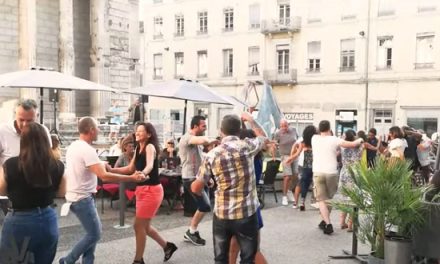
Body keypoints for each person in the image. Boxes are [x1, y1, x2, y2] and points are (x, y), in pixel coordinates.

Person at [59, 117, 145, 264]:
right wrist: (131, 178)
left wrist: (100, 162)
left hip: (76, 197)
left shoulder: (74, 146)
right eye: (97, 127)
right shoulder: (88, 150)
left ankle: (87, 262)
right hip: (82, 198)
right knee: (95, 234)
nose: (99, 130)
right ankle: (68, 260)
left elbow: (87, 165)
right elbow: (104, 176)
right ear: (91, 130)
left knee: (91, 233)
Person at [191, 113, 267, 264]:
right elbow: (263, 137)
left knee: (221, 258)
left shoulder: (212, 155)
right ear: (239, 131)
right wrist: (251, 120)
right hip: (247, 213)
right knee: (248, 258)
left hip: (222, 215)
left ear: (221, 131)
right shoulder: (247, 147)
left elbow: (196, 187)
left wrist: (201, 189)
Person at [109, 122, 178, 264]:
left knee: (138, 226)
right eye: (137, 131)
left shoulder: (150, 147)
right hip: (142, 190)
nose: (137, 133)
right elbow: (129, 168)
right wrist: (110, 170)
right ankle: (167, 246)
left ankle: (138, 260)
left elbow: (150, 165)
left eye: (141, 131)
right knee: (144, 227)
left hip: (151, 191)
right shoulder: (137, 149)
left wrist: (143, 173)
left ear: (149, 134)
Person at [0, 122, 66, 263]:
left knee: (12, 260)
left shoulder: (11, 164)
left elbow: (1, 189)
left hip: (19, 221)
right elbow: (62, 192)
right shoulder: (57, 164)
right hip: (48, 219)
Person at [0, 99, 51, 217]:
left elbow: (47, 158)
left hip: (36, 192)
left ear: (37, 117)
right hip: (7, 193)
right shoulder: (2, 131)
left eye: (30, 121)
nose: (25, 124)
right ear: (15, 115)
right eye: (21, 120)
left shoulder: (43, 131)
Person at [312, 120, 363, 235]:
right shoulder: (334, 140)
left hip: (318, 172)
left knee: (321, 199)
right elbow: (353, 144)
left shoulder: (314, 138)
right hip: (332, 173)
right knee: (329, 198)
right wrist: (360, 139)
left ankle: (327, 223)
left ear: (320, 129)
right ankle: (326, 221)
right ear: (330, 128)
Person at [229, 129, 267, 264]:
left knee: (248, 249)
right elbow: (261, 137)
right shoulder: (255, 157)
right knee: (245, 246)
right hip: (251, 204)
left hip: (242, 207)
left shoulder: (247, 159)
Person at [178, 115, 218, 246]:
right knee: (205, 206)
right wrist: (214, 140)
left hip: (199, 177)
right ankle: (191, 231)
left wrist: (207, 178)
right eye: (203, 126)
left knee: (203, 206)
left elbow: (202, 160)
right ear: (195, 126)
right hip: (190, 178)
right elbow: (203, 140)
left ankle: (192, 231)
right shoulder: (187, 138)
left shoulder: (196, 142)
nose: (205, 128)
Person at [338, 129, 363, 232]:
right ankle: (350, 225)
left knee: (344, 199)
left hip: (344, 172)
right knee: (354, 199)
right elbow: (361, 142)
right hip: (355, 173)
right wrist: (358, 139)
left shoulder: (342, 146)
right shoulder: (360, 146)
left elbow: (341, 140)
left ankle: (342, 222)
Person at [272, 119, 298, 206]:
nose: (283, 128)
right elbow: (274, 144)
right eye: (282, 126)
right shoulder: (277, 133)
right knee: (287, 176)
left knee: (296, 175)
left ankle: (290, 191)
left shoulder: (294, 130)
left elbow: (297, 141)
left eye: (285, 126)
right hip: (285, 155)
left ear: (289, 125)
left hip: (294, 155)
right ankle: (284, 196)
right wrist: (273, 154)